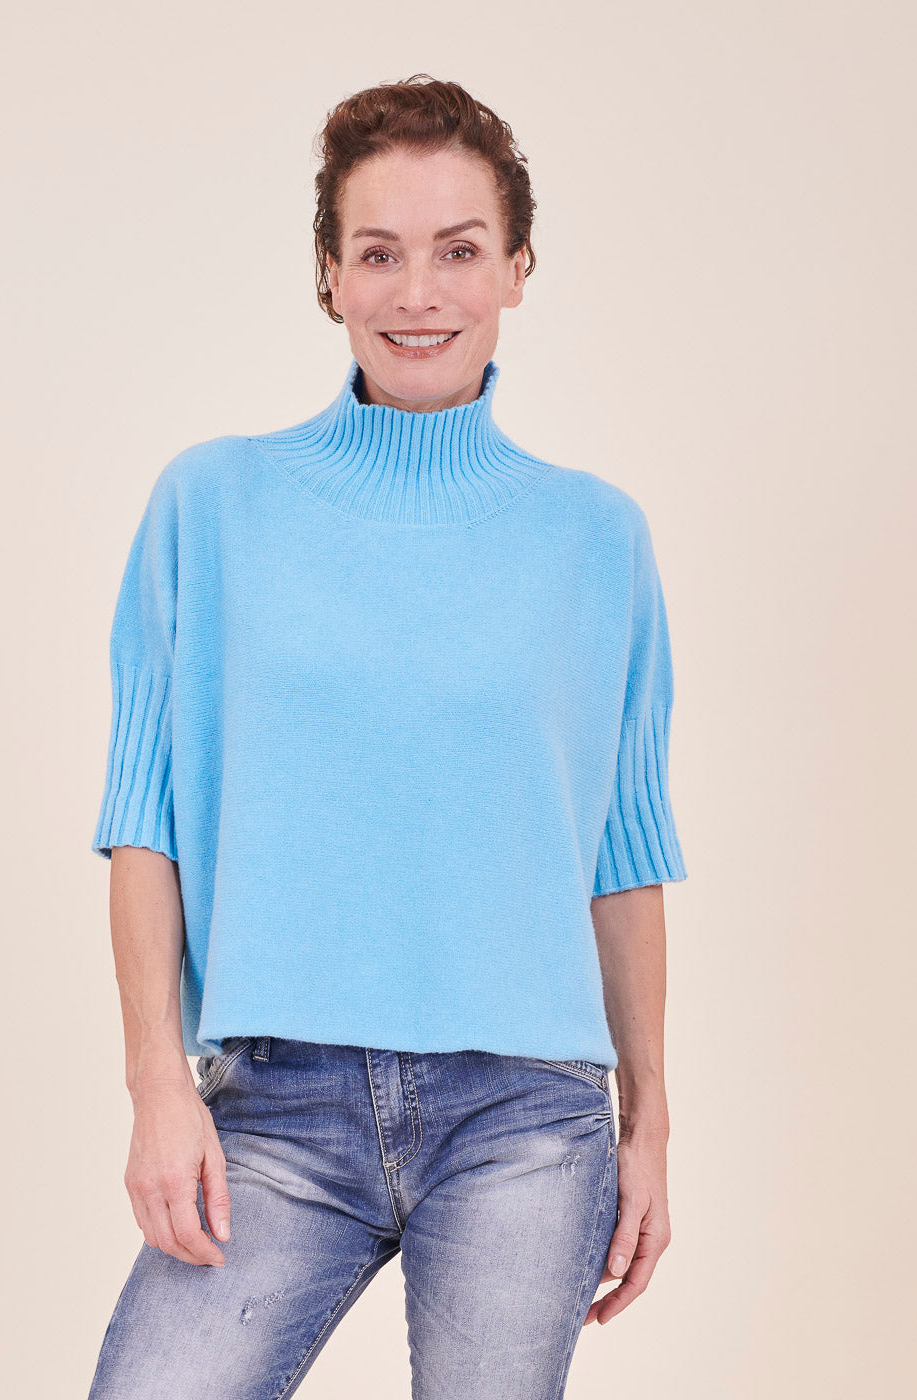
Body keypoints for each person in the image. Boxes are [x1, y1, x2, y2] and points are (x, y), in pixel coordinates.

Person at [87, 73, 688, 1400]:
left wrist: (649, 1126)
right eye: (379, 253)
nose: (420, 293)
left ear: (517, 268)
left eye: (460, 251)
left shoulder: (596, 539)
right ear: (329, 274)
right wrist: (156, 1089)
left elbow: (622, 855)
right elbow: (146, 826)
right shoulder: (212, 505)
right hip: (276, 1106)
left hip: (526, 1115)